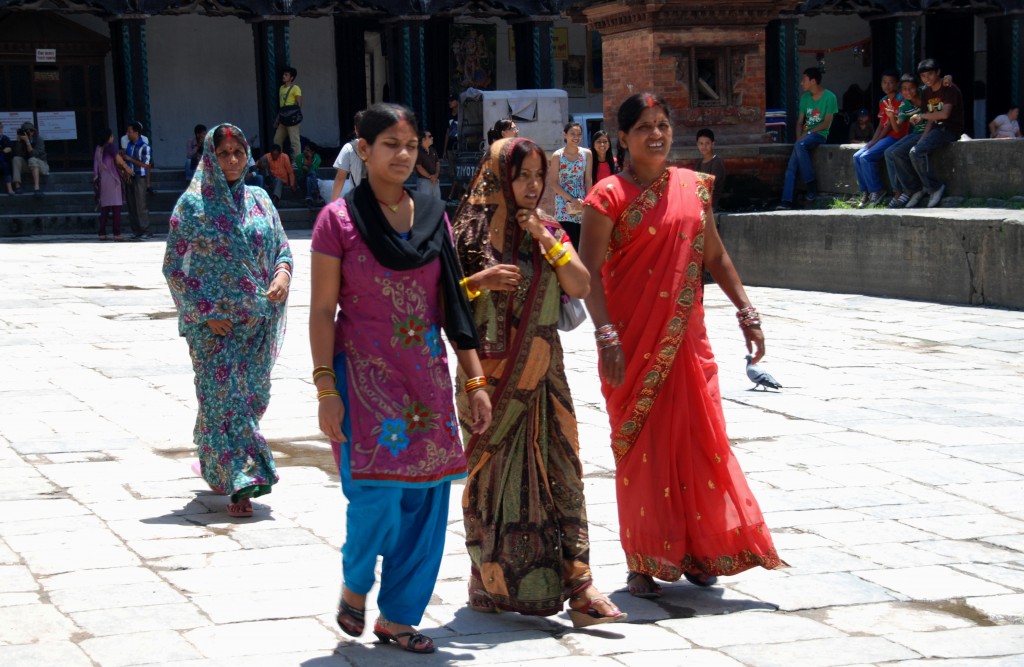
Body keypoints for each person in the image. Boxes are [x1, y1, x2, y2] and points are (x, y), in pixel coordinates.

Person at [580, 92, 785, 600]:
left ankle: (699, 552)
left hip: (687, 343)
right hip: (631, 344)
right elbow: (587, 277)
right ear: (622, 138)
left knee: (699, 442)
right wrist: (605, 335)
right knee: (641, 450)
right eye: (645, 127)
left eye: (664, 125)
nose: (657, 134)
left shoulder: (694, 188)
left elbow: (714, 254)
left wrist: (747, 311)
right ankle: (643, 561)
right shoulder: (606, 197)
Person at [308, 103, 492, 655]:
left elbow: (454, 303)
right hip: (363, 377)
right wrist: (325, 388)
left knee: (427, 502)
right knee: (376, 496)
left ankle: (399, 618)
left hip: (426, 380)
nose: (403, 154)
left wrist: (476, 380)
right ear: (362, 150)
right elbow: (322, 311)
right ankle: (356, 582)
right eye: (390, 144)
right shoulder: (337, 221)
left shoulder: (435, 214)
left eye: (410, 144)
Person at [451, 137, 627, 627]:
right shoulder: (467, 234)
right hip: (484, 377)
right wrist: (478, 282)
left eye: (537, 176)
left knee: (561, 473)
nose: (532, 186)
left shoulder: (549, 228)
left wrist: (547, 240)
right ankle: (486, 575)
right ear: (498, 177)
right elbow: (442, 305)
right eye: (521, 175)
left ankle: (580, 581)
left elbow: (580, 285)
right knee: (490, 482)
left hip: (544, 372)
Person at [163, 123, 293, 518]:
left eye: (238, 153)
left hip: (257, 323)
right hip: (214, 331)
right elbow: (175, 268)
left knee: (251, 398)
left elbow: (282, 247)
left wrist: (282, 276)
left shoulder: (260, 200)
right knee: (228, 401)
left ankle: (212, 451)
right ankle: (243, 484)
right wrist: (206, 313)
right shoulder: (192, 206)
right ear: (210, 157)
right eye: (224, 154)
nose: (233, 160)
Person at [777, 67, 837, 209]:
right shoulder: (804, 98)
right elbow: (799, 122)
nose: (801, 83)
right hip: (804, 137)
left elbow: (826, 123)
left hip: (819, 134)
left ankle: (811, 183)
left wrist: (807, 135)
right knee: (791, 167)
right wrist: (799, 138)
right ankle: (786, 201)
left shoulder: (830, 97)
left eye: (804, 80)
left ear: (813, 81)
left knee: (799, 147)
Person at [907, 58, 963, 208]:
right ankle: (927, 187)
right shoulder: (926, 92)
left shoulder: (948, 88)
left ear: (938, 72)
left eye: (930, 74)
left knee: (916, 152)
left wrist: (921, 116)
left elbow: (944, 115)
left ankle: (935, 187)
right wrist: (923, 138)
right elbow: (931, 119)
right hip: (936, 129)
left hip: (950, 129)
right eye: (923, 76)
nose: (927, 79)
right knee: (914, 151)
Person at [852, 70, 907, 207]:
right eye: (884, 82)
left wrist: (875, 142)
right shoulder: (883, 101)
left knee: (866, 157)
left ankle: (877, 190)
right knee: (856, 156)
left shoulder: (901, 99)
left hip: (896, 137)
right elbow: (880, 125)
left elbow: (888, 126)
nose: (887, 85)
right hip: (883, 137)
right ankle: (865, 192)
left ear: (897, 84)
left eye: (890, 82)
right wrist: (873, 140)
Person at [885, 74, 929, 209]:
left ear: (918, 87)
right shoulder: (904, 105)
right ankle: (898, 191)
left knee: (897, 152)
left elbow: (941, 81)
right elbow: (897, 128)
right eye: (904, 89)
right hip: (916, 133)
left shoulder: (926, 93)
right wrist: (891, 116)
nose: (908, 92)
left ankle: (911, 189)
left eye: (911, 88)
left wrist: (948, 78)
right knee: (888, 152)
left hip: (928, 131)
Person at [549, 121, 591, 248]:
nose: (576, 137)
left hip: (581, 201)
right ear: (565, 135)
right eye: (572, 134)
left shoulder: (587, 154)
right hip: (563, 202)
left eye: (579, 134)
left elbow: (588, 179)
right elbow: (553, 183)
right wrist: (571, 199)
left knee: (581, 243)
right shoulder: (558, 156)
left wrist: (588, 201)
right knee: (566, 243)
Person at [93, 128, 129, 241]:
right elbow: (119, 161)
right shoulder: (111, 147)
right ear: (108, 137)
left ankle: (102, 233)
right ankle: (116, 233)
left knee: (105, 208)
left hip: (102, 180)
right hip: (113, 180)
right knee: (116, 207)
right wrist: (128, 169)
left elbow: (96, 166)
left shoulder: (98, 148)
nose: (113, 138)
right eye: (112, 136)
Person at [122, 122, 152, 240]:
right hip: (130, 177)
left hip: (140, 177)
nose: (127, 134)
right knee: (131, 205)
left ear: (136, 133)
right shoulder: (129, 145)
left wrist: (130, 159)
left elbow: (146, 165)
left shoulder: (145, 147)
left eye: (130, 132)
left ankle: (146, 230)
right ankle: (136, 230)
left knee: (141, 205)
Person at [331, 110, 364, 202]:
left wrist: (333, 204)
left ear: (356, 129)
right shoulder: (380, 149)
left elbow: (340, 178)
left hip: (357, 202)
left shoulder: (349, 148)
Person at [11, 123, 49, 197]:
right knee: (16, 159)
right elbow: (17, 154)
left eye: (31, 131)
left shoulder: (39, 139)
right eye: (27, 131)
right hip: (29, 165)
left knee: (32, 159)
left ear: (34, 131)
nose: (30, 133)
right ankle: (17, 186)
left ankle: (37, 188)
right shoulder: (21, 141)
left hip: (41, 166)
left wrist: (27, 142)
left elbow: (34, 155)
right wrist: (19, 141)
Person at [273, 67, 302, 159]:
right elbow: (282, 106)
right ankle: (280, 161)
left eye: (286, 75)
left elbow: (299, 104)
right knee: (277, 140)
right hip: (283, 118)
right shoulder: (281, 88)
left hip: (292, 118)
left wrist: (295, 116)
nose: (283, 76)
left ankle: (296, 163)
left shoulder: (295, 88)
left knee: (294, 141)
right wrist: (277, 120)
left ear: (291, 78)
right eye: (283, 74)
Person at [694, 128, 726, 211]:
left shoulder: (716, 162)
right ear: (697, 144)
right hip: (700, 201)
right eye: (701, 143)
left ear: (713, 144)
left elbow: (710, 186)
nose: (704, 146)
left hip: (712, 205)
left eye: (707, 143)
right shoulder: (699, 164)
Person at [414, 129, 441, 199]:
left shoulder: (433, 150)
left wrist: (436, 175)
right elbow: (419, 167)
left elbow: (437, 163)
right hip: (424, 182)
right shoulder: (418, 151)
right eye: (430, 136)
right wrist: (430, 177)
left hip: (435, 181)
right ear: (423, 139)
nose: (432, 137)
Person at [0, 121, 14, 196]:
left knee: (5, 166)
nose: (0, 129)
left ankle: (10, 188)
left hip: (3, 161)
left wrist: (4, 150)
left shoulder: (5, 138)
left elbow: (9, 148)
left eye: (1, 127)